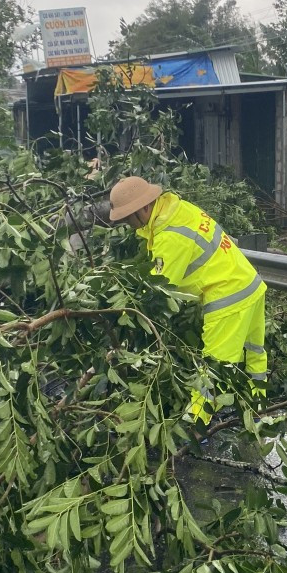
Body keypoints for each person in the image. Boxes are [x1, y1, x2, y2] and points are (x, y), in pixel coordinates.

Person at [108, 176, 268, 422]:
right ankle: (258, 405)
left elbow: (160, 291)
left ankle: (198, 424)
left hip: (228, 297)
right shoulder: (178, 209)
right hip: (249, 283)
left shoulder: (170, 236)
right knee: (254, 352)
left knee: (214, 367)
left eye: (129, 217)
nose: (128, 224)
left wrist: (126, 313)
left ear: (145, 208)